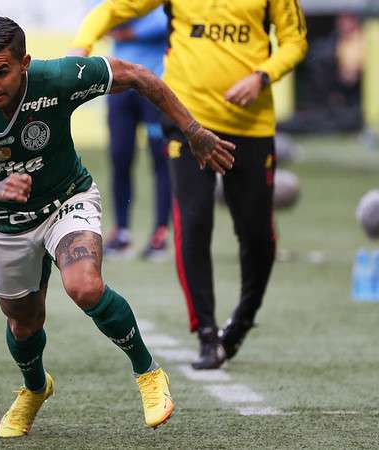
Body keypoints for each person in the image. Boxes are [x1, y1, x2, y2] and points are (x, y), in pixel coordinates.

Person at [0, 17, 234, 436]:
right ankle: (35, 389)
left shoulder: (56, 78)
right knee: (23, 322)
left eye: (0, 71)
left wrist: (193, 130)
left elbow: (138, 76)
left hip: (66, 200)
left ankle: (147, 372)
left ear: (25, 64)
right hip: (6, 223)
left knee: (84, 286)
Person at [71, 0, 307, 369]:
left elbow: (295, 41)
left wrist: (262, 76)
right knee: (193, 224)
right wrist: (80, 49)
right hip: (186, 119)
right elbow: (112, 10)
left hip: (250, 126)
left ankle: (242, 320)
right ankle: (207, 334)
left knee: (258, 237)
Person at [95, 5, 171, 260]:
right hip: (119, 87)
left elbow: (167, 21)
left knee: (160, 159)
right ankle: (122, 233)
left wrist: (127, 31)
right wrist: (126, 26)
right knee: (120, 157)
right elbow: (100, 16)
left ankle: (160, 233)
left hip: (155, 84)